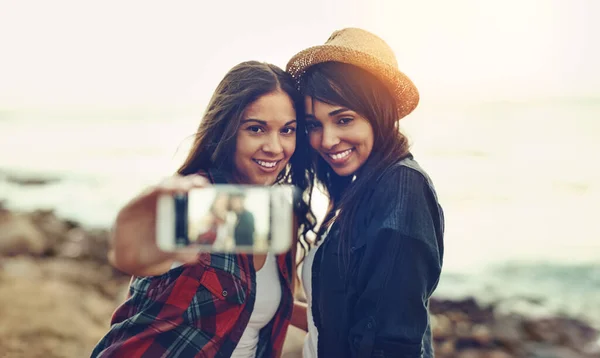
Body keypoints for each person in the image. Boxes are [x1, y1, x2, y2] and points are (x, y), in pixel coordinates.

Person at [91, 60, 316, 358]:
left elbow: (253, 301)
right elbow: (135, 256)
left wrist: (333, 322)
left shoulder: (273, 213)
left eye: (287, 130)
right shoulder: (204, 200)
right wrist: (133, 233)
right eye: (256, 129)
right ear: (226, 129)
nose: (275, 147)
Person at [286, 28, 445, 357]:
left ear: (379, 115)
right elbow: (337, 321)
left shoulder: (402, 188)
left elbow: (392, 341)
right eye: (314, 125)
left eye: (344, 120)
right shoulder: (359, 188)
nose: (326, 140)